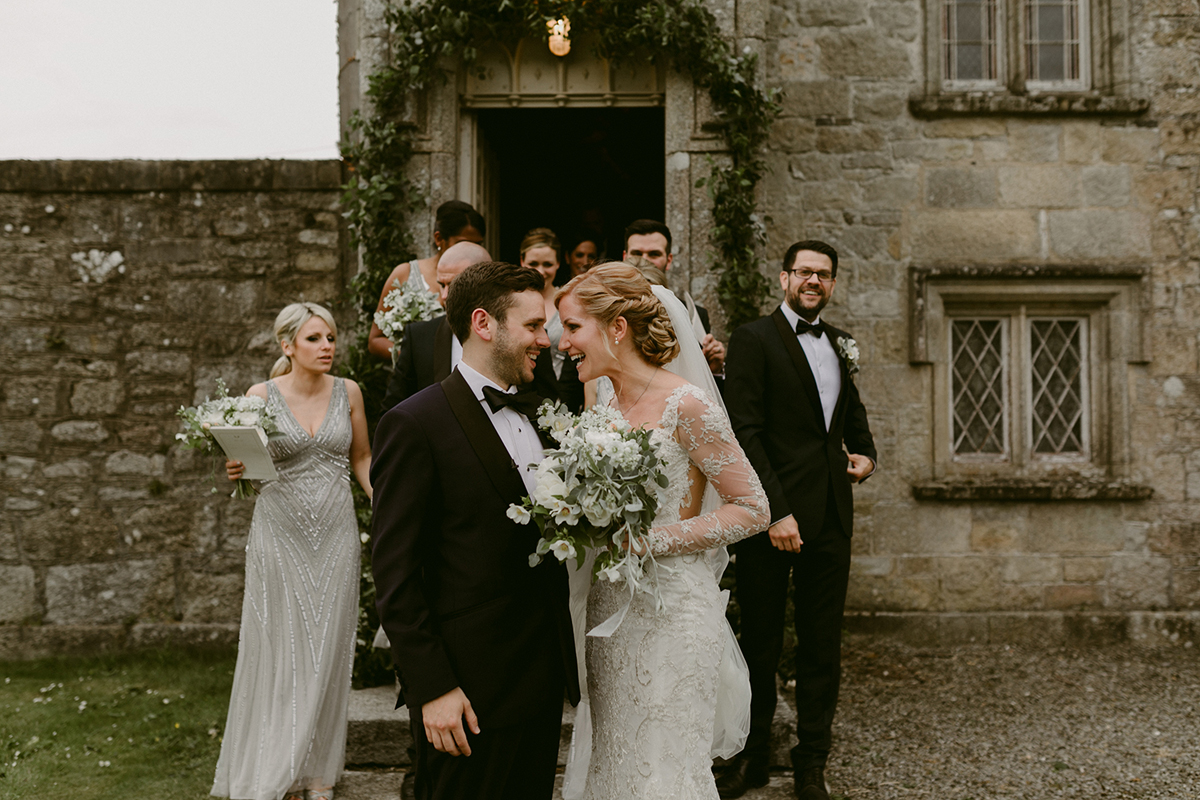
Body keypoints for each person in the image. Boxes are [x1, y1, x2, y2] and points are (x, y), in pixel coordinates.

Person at [555, 262, 770, 800]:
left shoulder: (687, 405)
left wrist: (657, 540)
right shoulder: (602, 405)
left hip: (671, 610)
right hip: (610, 610)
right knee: (614, 758)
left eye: (573, 327)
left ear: (616, 328)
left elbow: (752, 508)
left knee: (662, 770)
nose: (562, 343)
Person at [370, 261, 581, 800]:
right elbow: (395, 575)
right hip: (466, 688)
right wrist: (433, 686)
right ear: (484, 324)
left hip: (538, 675)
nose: (545, 339)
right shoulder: (415, 423)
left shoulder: (541, 413)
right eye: (533, 326)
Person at [720, 241, 877, 800]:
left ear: (832, 284)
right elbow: (746, 431)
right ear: (784, 278)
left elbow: (848, 419)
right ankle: (753, 757)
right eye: (805, 272)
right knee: (759, 642)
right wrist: (776, 512)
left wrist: (867, 455)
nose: (814, 281)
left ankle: (812, 761)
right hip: (773, 518)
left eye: (824, 274)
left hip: (832, 515)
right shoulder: (753, 339)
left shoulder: (840, 344)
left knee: (821, 645)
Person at [212, 302, 373, 800]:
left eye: (330, 337)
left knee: (328, 648)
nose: (328, 346)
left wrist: (385, 502)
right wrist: (234, 468)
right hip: (278, 535)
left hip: (336, 535)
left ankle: (318, 773)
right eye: (315, 339)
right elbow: (246, 463)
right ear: (288, 346)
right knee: (280, 648)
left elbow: (363, 457)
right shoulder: (260, 396)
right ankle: (278, 765)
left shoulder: (349, 391)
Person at [380, 241, 492, 411]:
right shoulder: (419, 337)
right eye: (441, 285)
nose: (445, 296)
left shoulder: (519, 335)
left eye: (454, 285)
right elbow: (393, 410)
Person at [368, 201, 486, 361]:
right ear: (439, 239)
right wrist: (412, 357)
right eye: (461, 242)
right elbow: (375, 340)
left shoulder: (484, 280)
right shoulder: (405, 274)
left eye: (477, 244)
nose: (468, 249)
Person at [623, 219, 726, 376]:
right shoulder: (603, 310)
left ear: (669, 260)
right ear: (625, 257)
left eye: (654, 254)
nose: (644, 261)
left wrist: (714, 371)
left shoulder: (692, 315)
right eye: (637, 253)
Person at [520, 227, 585, 411]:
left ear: (558, 263)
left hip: (567, 398)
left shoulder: (568, 302)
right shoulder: (513, 306)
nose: (541, 271)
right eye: (533, 263)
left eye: (547, 264)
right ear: (522, 261)